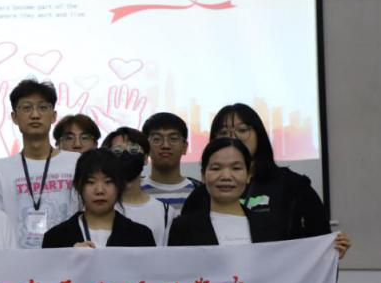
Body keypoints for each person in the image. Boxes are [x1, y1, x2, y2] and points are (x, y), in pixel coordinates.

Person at [180, 104, 351, 257]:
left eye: (242, 129)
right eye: (223, 132)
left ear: (259, 135)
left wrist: (329, 251)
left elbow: (317, 237)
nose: (233, 137)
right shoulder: (200, 195)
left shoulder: (293, 186)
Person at [0, 79, 80, 249]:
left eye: (43, 107)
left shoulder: (76, 163)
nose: (35, 115)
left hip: (68, 258)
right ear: (14, 117)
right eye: (27, 108)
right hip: (16, 262)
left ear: (54, 116)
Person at [43, 149, 156, 248]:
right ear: (78, 186)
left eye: (108, 182)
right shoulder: (55, 238)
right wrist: (70, 256)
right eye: (91, 182)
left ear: (119, 186)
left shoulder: (141, 236)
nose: (100, 190)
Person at [101, 127, 175, 246]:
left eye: (134, 150)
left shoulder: (165, 212)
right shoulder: (98, 208)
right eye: (117, 151)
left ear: (145, 158)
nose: (126, 155)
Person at [140, 112, 200, 209]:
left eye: (173, 139)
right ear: (146, 147)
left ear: (185, 147)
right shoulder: (133, 191)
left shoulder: (199, 192)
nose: (165, 145)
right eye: (157, 139)